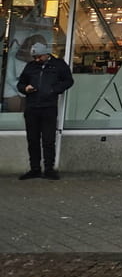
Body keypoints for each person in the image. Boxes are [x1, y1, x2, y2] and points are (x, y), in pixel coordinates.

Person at [17, 42, 73, 180]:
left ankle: (49, 169)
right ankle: (35, 168)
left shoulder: (59, 65)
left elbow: (69, 81)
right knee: (33, 139)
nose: (37, 59)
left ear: (46, 54)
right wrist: (25, 88)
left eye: (39, 56)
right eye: (35, 57)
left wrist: (54, 90)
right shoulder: (30, 66)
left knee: (48, 140)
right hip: (32, 107)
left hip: (48, 107)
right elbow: (20, 83)